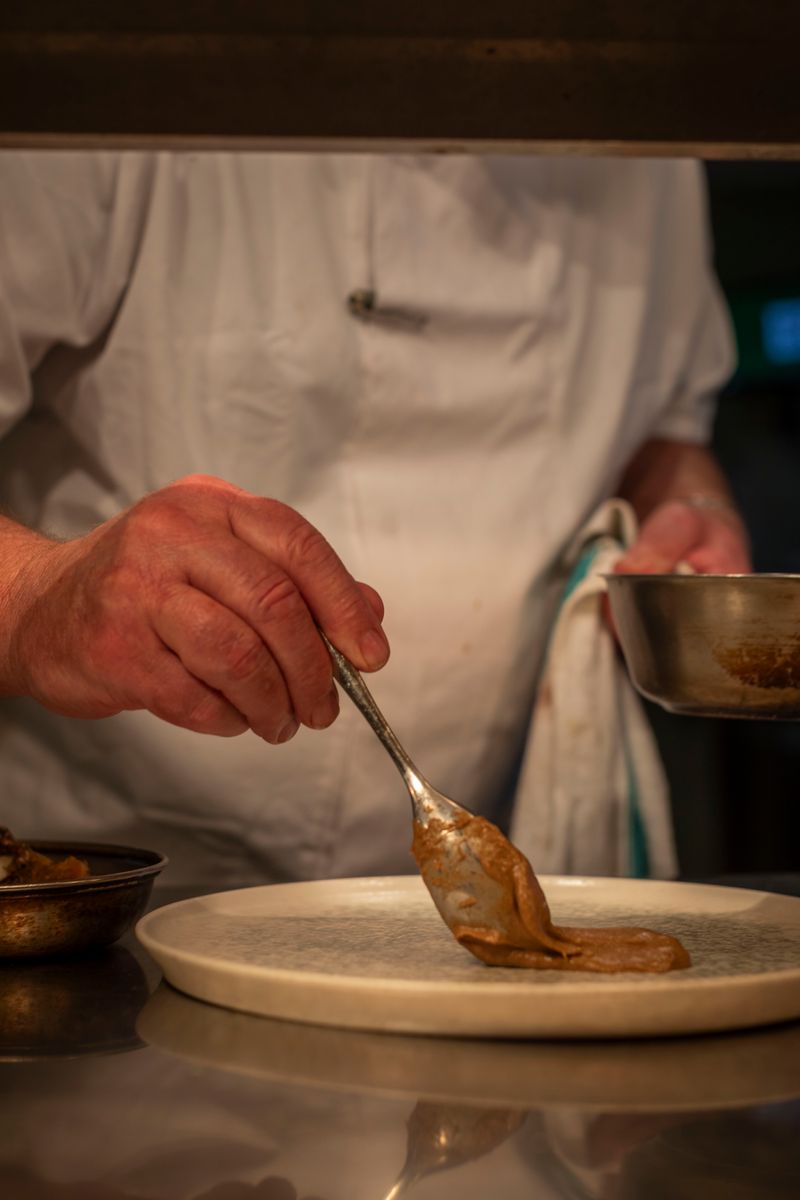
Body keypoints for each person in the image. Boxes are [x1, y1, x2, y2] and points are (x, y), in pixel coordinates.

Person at [0, 152, 751, 886]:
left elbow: (662, 430)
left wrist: (686, 507)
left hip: (453, 889)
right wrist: (41, 596)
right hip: (95, 885)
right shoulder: (102, 91)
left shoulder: (644, 134)